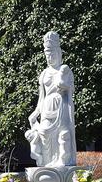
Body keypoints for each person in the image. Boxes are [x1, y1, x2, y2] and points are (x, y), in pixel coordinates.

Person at [24, 31, 77, 168]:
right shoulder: (44, 73)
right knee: (43, 133)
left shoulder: (64, 69)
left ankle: (63, 160)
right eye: (47, 55)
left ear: (58, 53)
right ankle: (45, 160)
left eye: (52, 54)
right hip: (47, 107)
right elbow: (42, 97)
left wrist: (63, 86)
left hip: (61, 105)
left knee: (63, 134)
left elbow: (70, 87)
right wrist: (35, 113)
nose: (49, 58)